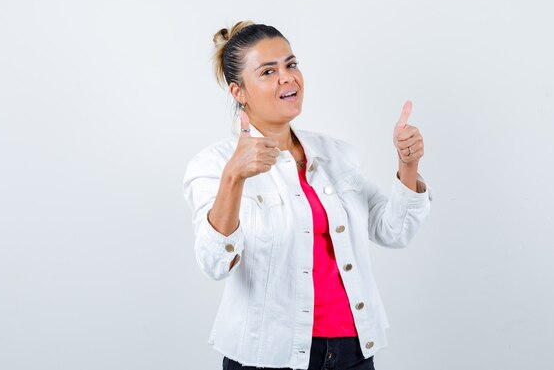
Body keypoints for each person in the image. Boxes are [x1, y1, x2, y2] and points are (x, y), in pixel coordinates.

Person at [182, 21, 433, 370]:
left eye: (291, 64)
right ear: (239, 92)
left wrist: (409, 164)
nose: (287, 78)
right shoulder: (213, 164)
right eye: (268, 71)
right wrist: (234, 177)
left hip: (353, 350)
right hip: (269, 357)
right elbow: (215, 263)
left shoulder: (337, 155)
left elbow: (392, 231)